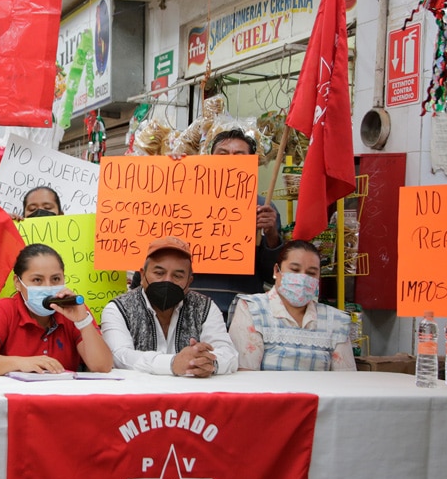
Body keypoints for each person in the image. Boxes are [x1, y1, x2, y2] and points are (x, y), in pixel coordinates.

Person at [0, 244, 113, 375]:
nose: (48, 287)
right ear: (18, 283)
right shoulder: (3, 309)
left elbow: (102, 367)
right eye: (37, 280)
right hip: (14, 394)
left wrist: (83, 321)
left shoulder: (74, 310)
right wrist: (21, 363)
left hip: (62, 394)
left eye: (55, 279)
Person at [101, 236, 238, 376]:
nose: (167, 281)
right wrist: (172, 363)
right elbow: (119, 356)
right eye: (159, 273)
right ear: (142, 275)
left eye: (177, 276)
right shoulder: (118, 309)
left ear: (189, 281)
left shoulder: (205, 307)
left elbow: (229, 354)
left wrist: (206, 363)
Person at [189, 128, 284, 318]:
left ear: (252, 163)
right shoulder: (187, 200)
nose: (230, 160)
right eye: (222, 154)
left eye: (239, 155)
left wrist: (271, 234)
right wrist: (173, 167)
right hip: (190, 307)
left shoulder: (263, 208)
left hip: (242, 312)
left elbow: (272, 275)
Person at [228, 239, 355, 371]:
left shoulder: (336, 321)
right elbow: (246, 373)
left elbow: (345, 378)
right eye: (295, 270)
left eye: (311, 273)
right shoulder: (252, 309)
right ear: (276, 271)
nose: (303, 278)